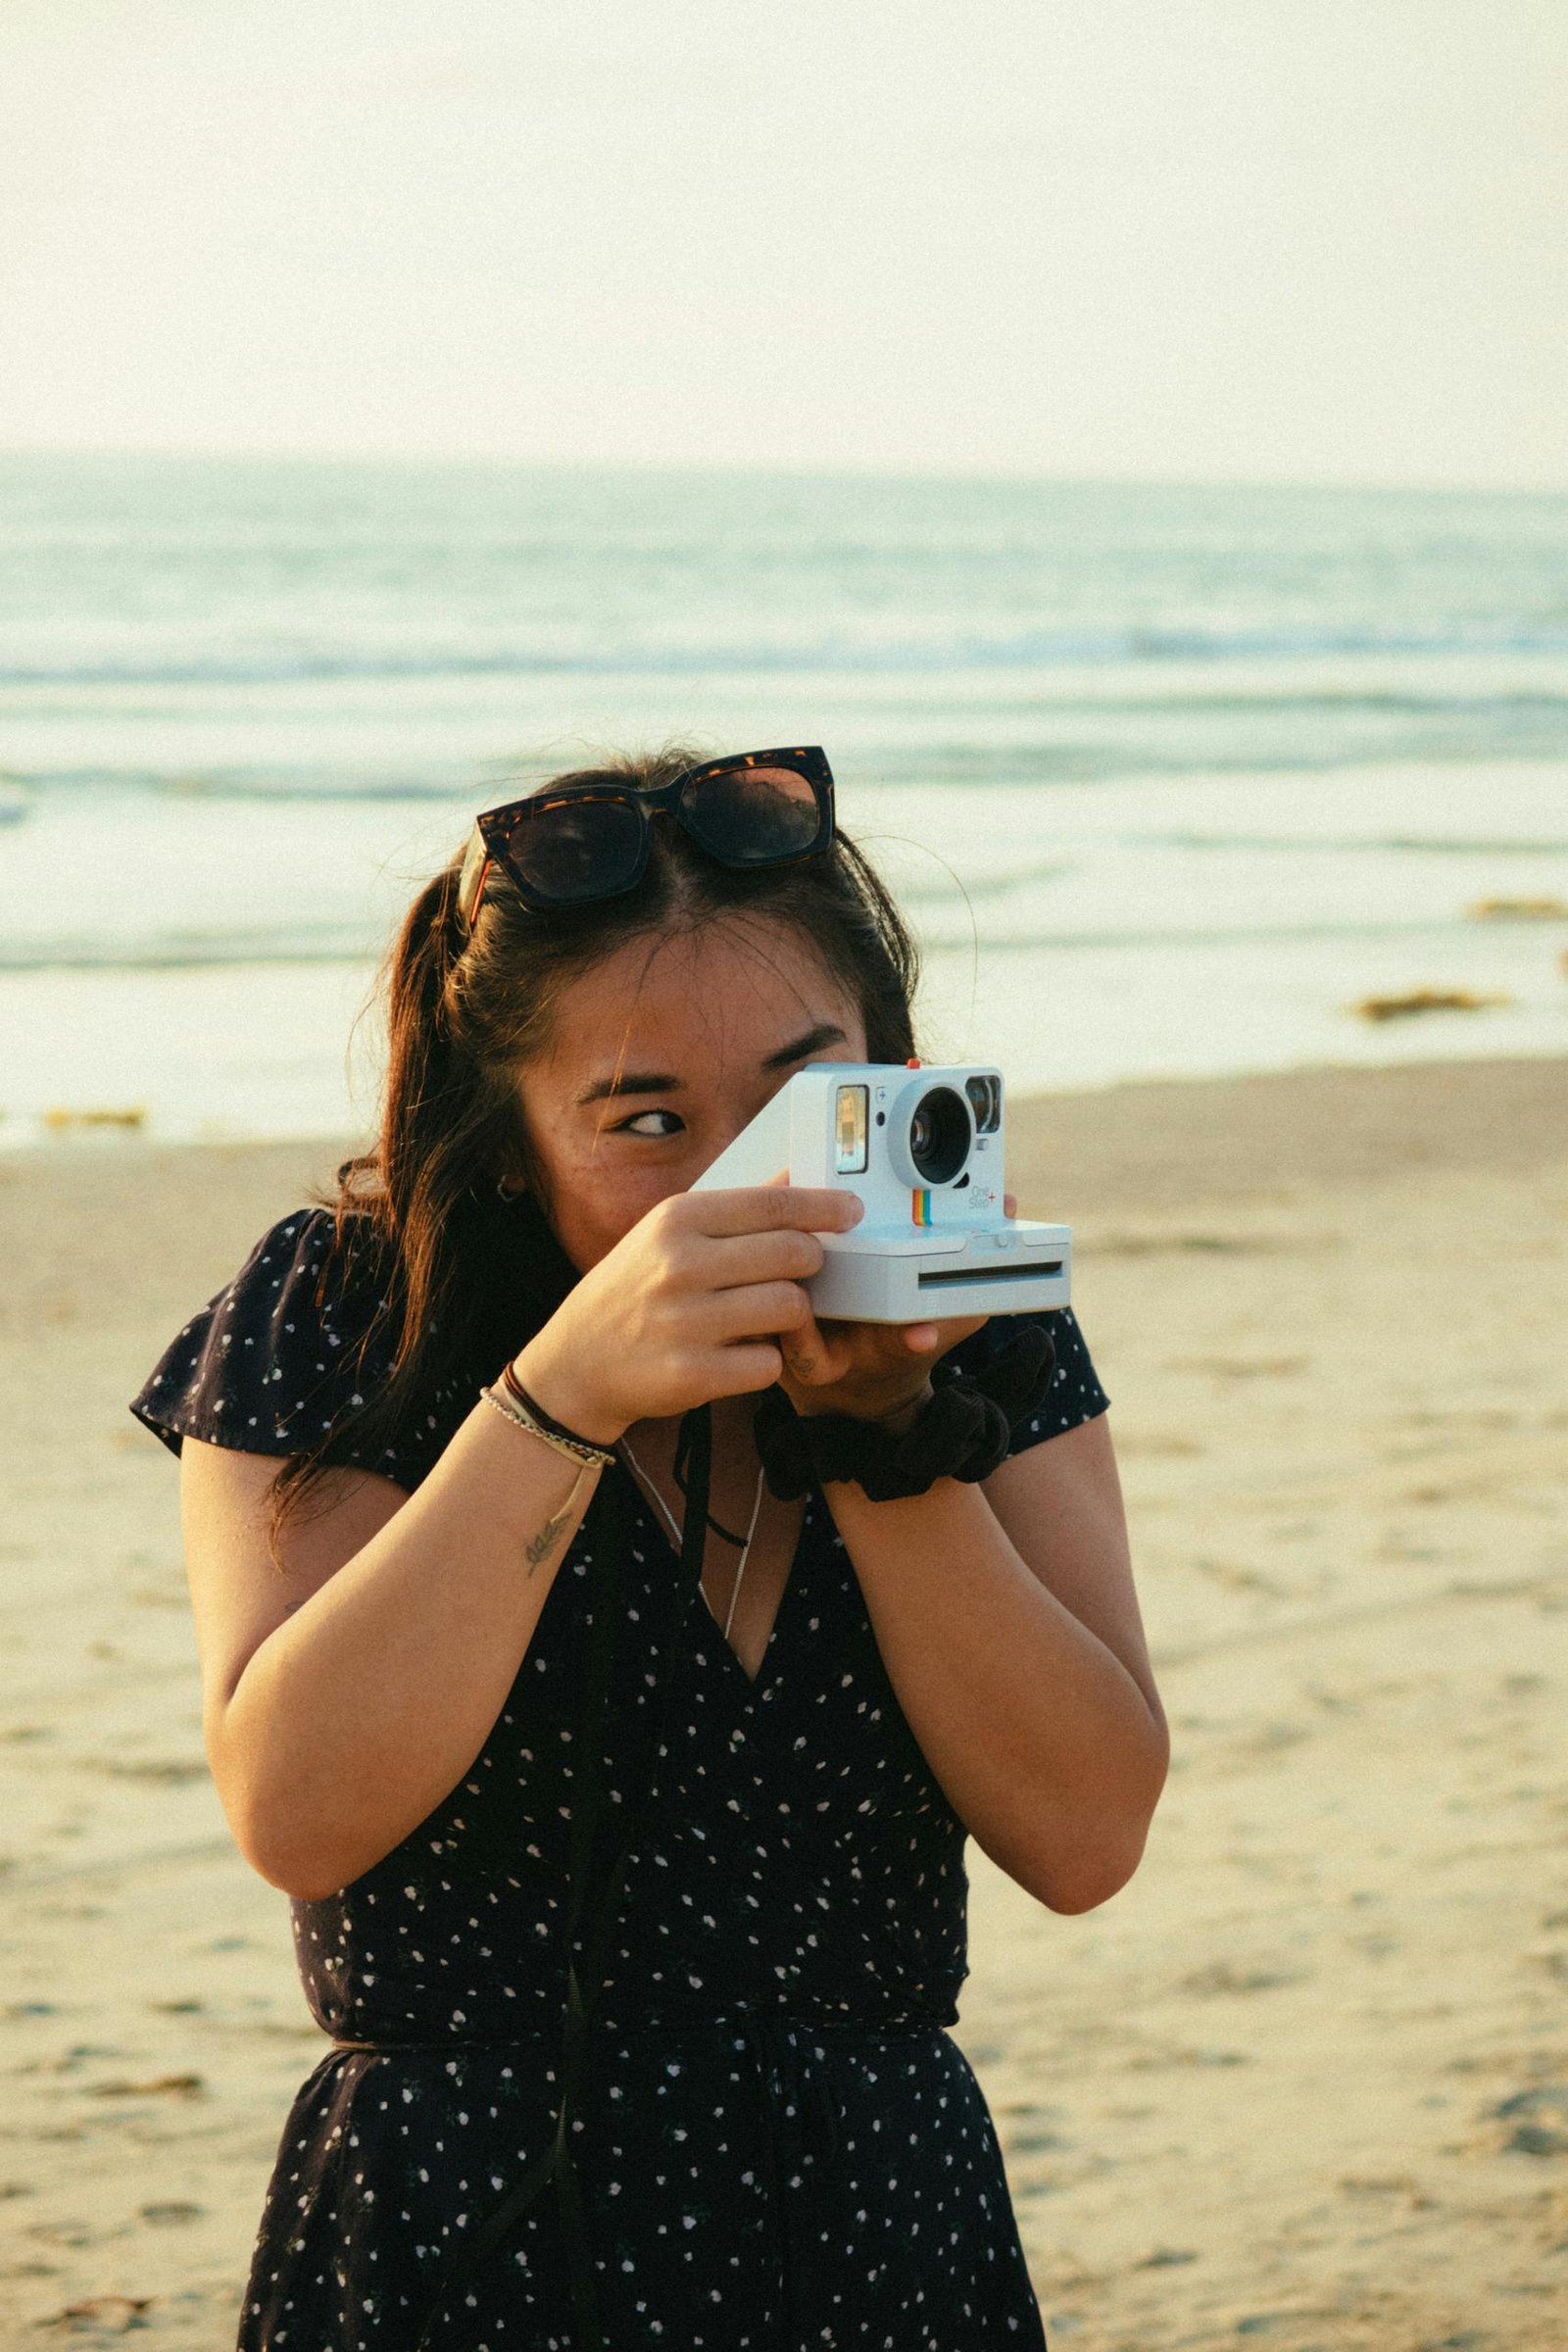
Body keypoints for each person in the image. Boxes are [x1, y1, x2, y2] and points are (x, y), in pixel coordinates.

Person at [130, 743, 1168, 2352]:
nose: (735, 1185)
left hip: (877, 2226)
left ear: (893, 1070)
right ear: (503, 1139)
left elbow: (1087, 1835)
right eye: (648, 1120)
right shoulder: (347, 1315)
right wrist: (560, 1399)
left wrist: (891, 1445)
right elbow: (299, 1808)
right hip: (469, 2229)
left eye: (802, 1101)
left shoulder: (977, 1325)